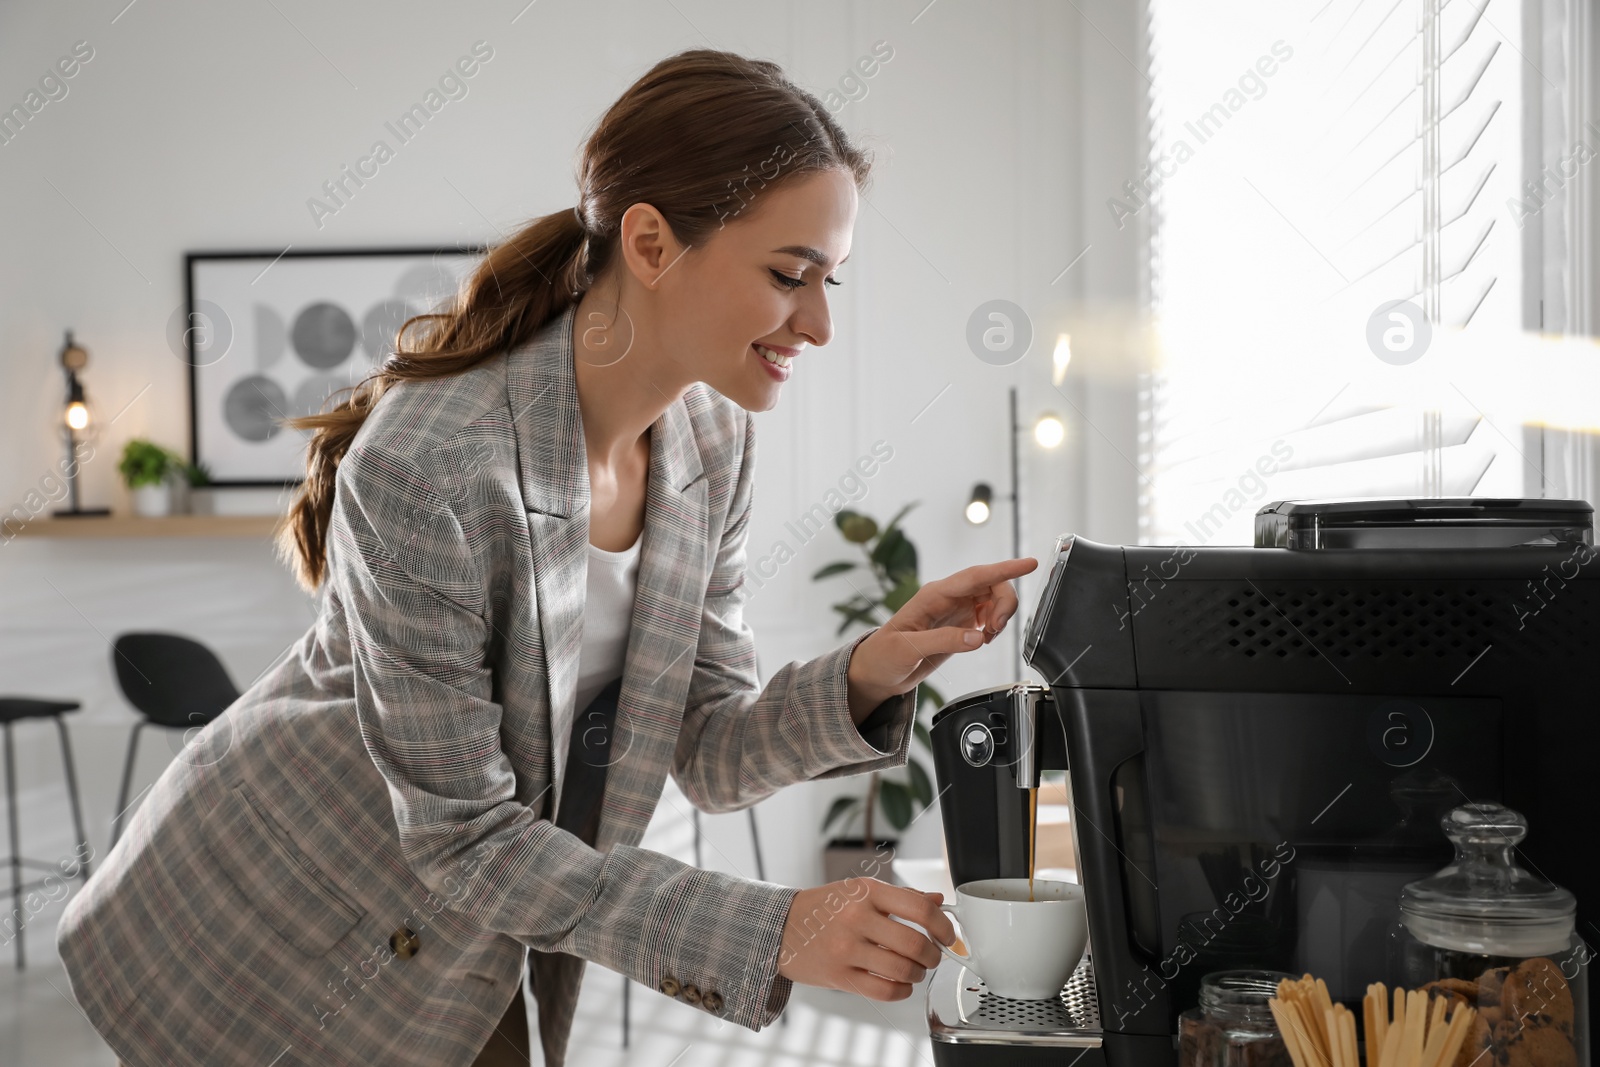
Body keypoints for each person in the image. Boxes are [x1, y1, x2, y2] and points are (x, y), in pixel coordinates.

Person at [58, 47, 1036, 1067]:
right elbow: (465, 835)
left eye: (828, 280)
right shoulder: (429, 460)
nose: (822, 323)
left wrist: (867, 670)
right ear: (651, 242)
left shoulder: (710, 442)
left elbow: (700, 746)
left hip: (470, 924)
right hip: (278, 919)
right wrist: (777, 925)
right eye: (790, 276)